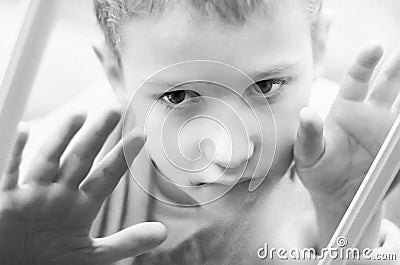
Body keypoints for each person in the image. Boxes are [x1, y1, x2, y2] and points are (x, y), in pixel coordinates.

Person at [1, 0, 400, 264]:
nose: (231, 151)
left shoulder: (360, 153)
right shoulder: (38, 198)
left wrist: (348, 213)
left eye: (265, 88)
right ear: (114, 73)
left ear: (319, 45)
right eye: (178, 96)